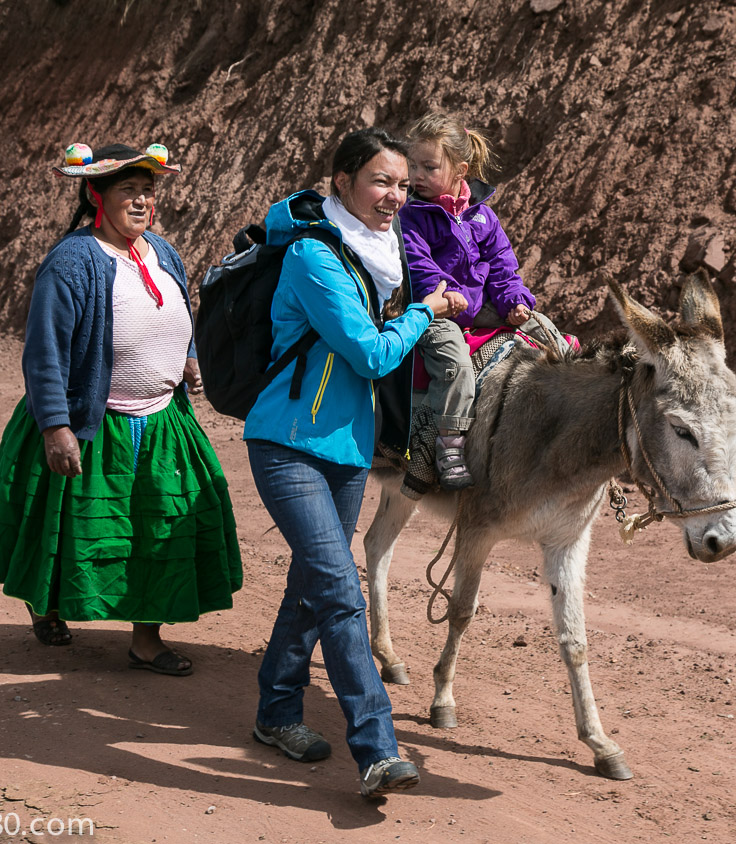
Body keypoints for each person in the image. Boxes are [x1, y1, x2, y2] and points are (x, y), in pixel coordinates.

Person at [242, 128, 460, 798]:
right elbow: (368, 353)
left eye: (401, 183)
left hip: (344, 453)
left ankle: (276, 714)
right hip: (287, 446)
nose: (394, 195)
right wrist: (425, 311)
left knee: (311, 589)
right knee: (340, 590)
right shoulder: (315, 256)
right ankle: (376, 747)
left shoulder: (379, 257)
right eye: (379, 181)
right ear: (341, 181)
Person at [0, 142, 242, 677]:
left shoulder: (162, 252)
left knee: (157, 528)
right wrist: (56, 427)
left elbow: (177, 312)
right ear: (96, 194)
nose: (144, 200)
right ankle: (48, 603)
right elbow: (44, 352)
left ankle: (146, 641)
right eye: (130, 191)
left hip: (163, 421)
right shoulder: (72, 262)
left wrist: (189, 357)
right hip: (92, 421)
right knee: (81, 528)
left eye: (150, 190)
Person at [399, 112, 566, 490]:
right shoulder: (412, 215)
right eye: (413, 166)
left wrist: (513, 301)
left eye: (428, 166)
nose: (416, 176)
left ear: (460, 170)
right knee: (455, 363)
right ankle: (447, 445)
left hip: (477, 304)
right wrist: (445, 293)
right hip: (438, 308)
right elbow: (418, 264)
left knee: (544, 331)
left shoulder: (483, 216)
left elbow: (503, 265)